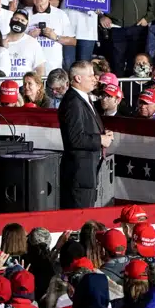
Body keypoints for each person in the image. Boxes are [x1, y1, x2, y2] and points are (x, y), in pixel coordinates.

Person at [58, 60, 113, 209]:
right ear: (78, 78)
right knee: (79, 218)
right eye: (90, 75)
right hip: (79, 175)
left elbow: (84, 129)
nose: (95, 78)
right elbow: (75, 139)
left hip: (87, 173)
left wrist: (102, 133)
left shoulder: (83, 98)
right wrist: (100, 139)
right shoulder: (73, 102)